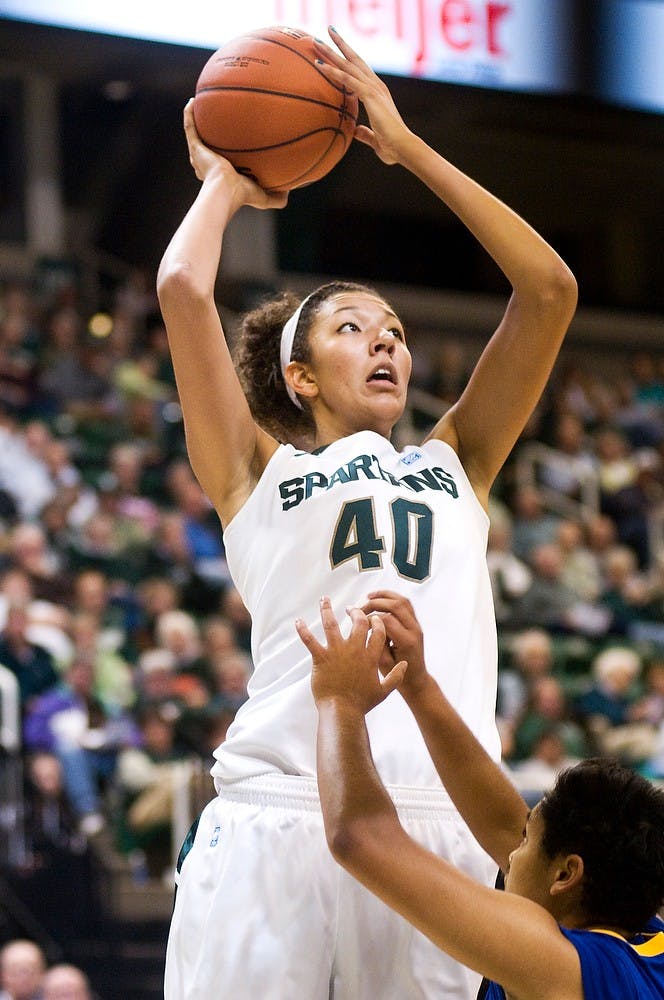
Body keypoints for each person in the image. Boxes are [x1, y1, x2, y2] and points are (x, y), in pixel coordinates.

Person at [158, 26, 577, 1000]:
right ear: (299, 374)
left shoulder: (457, 460)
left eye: (394, 331)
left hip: (437, 822)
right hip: (275, 805)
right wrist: (226, 178)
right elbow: (184, 287)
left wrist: (404, 142)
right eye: (353, 327)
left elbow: (548, 289)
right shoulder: (252, 471)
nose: (386, 343)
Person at [298, 594, 664, 1000]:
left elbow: (361, 838)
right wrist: (417, 684)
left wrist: (339, 701)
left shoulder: (561, 966)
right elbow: (503, 823)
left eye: (526, 841)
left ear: (565, 874)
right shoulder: (642, 930)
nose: (511, 851)